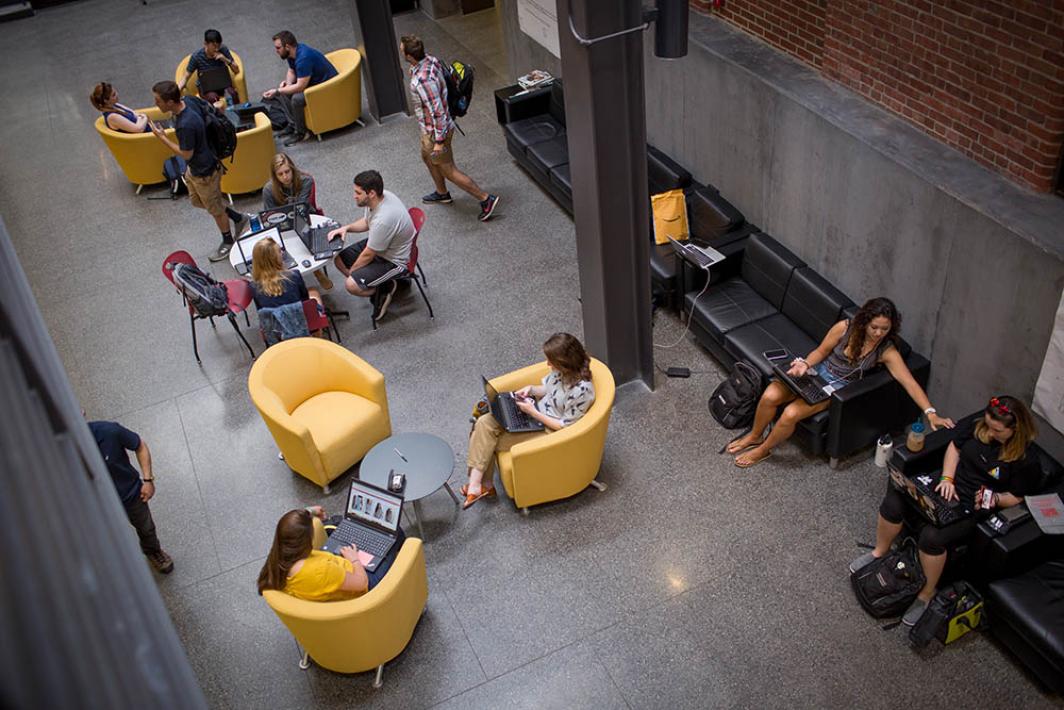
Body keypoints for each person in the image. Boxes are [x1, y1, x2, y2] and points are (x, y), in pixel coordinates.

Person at [850, 395, 1041, 626]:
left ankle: (926, 593)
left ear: (1015, 430)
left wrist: (996, 498)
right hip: (945, 486)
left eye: (997, 430)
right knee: (895, 499)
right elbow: (954, 447)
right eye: (988, 426)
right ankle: (880, 552)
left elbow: (1016, 498)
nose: (990, 433)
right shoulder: (977, 426)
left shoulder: (1026, 461)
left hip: (973, 506)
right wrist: (947, 478)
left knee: (932, 536)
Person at [726, 297, 954, 468]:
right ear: (864, 320)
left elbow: (909, 382)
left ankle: (764, 449)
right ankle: (755, 435)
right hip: (817, 372)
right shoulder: (844, 328)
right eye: (874, 327)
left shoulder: (886, 350)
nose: (878, 333)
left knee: (790, 414)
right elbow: (822, 351)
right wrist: (805, 364)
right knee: (770, 396)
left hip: (835, 388)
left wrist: (931, 413)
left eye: (884, 329)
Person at [462, 333, 596, 509]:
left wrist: (533, 412)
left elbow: (564, 426)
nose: (547, 365)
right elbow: (547, 389)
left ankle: (481, 486)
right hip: (534, 412)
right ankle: (480, 485)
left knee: (488, 439)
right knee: (484, 421)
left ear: (564, 362)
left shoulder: (583, 391)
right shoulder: (562, 372)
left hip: (548, 430)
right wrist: (530, 390)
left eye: (551, 361)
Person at [399, 35, 500, 222]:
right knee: (426, 157)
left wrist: (438, 141)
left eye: (402, 48)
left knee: (448, 170)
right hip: (430, 129)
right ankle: (442, 193)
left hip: (436, 131)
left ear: (409, 56)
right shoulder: (430, 60)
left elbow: (437, 112)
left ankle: (485, 198)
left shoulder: (423, 81)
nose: (400, 49)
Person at [150, 80, 249, 262]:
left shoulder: (185, 125)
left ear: (170, 102)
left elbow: (186, 154)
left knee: (215, 209)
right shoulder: (188, 101)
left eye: (158, 101)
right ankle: (238, 217)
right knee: (197, 201)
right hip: (198, 167)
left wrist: (162, 138)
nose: (156, 104)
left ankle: (228, 241)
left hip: (204, 171)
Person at [256, 506, 406, 601]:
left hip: (335, 572)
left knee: (337, 526)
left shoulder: (277, 561)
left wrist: (311, 511)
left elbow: (291, 524)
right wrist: (354, 559)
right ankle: (406, 574)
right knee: (396, 532)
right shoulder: (321, 571)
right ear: (307, 539)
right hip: (363, 582)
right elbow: (362, 583)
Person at [329, 170, 415, 322]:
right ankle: (375, 283)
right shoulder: (381, 198)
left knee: (351, 285)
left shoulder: (384, 219)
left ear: (371, 193)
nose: (354, 196)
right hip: (382, 244)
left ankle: (384, 289)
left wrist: (354, 273)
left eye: (358, 193)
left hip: (393, 260)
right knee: (339, 260)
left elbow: (369, 253)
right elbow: (368, 223)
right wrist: (346, 228)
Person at [89, 419, 173, 574]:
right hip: (97, 505)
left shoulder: (109, 431)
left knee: (146, 528)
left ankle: (153, 551)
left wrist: (148, 480)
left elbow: (140, 446)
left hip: (130, 495)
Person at [262, 152, 331, 289]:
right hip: (282, 224)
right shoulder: (268, 190)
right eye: (280, 174)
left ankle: (317, 272)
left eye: (287, 172)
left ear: (292, 168)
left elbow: (301, 207)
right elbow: (270, 216)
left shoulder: (306, 181)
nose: (285, 177)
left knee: (303, 237)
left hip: (305, 218)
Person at [262, 30, 338, 147]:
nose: (276, 51)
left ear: (287, 46)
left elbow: (300, 86)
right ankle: (293, 126)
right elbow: (291, 70)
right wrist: (287, 84)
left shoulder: (303, 58)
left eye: (278, 48)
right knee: (285, 92)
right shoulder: (292, 53)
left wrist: (278, 91)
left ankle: (302, 133)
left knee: (296, 98)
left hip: (325, 87)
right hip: (312, 84)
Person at [249, 237, 323, 311]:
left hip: (275, 321)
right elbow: (305, 300)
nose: (282, 252)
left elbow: (261, 310)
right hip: (301, 317)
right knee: (314, 292)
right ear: (274, 259)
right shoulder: (294, 276)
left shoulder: (253, 286)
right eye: (279, 251)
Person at [177, 29, 241, 107]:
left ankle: (236, 114)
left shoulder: (223, 49)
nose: (217, 49)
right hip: (206, 88)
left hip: (222, 83)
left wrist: (225, 59)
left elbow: (236, 70)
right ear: (205, 44)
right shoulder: (196, 57)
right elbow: (186, 77)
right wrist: (177, 91)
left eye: (218, 46)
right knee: (214, 98)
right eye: (214, 46)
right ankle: (219, 117)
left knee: (233, 94)